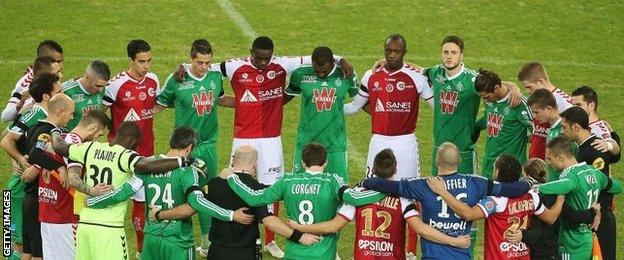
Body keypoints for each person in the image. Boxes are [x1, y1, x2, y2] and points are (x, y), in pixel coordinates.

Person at [177, 36, 352, 257]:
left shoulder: (282, 64)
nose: (263, 63)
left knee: (271, 189)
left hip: (271, 139)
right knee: (235, 185)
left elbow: (314, 56)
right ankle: (236, 235)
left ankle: (270, 241)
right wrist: (181, 66)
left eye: (267, 58)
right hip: (243, 138)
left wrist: (342, 59)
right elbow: (204, 65)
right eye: (259, 58)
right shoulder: (234, 66)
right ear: (251, 52)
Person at [85, 127, 255, 259]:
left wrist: (92, 201)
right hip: (177, 241)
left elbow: (123, 193)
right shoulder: (187, 170)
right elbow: (196, 202)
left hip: (150, 239)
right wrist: (231, 215)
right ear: (189, 148)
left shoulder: (148, 164)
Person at [50, 121, 197, 260]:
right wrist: (182, 161)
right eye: (137, 144)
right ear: (132, 141)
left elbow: (59, 146)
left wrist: (55, 130)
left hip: (85, 226)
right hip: (110, 228)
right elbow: (147, 166)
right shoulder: (125, 156)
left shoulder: (90, 148)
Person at [287, 149, 471, 259]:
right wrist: (454, 241)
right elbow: (420, 229)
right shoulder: (403, 198)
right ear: (396, 169)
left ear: (372, 169)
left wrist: (302, 227)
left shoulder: (357, 195)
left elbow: (333, 226)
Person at [361, 142, 532, 259]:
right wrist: (529, 182)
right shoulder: (476, 183)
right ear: (459, 161)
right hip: (462, 255)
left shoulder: (422, 185)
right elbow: (513, 189)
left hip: (432, 256)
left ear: (436, 161)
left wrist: (364, 182)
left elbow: (386, 185)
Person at [147, 145, 320, 259]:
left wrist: (160, 214)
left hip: (217, 253)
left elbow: (190, 208)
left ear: (232, 161)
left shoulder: (213, 185)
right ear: (255, 163)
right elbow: (270, 221)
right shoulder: (257, 189)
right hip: (245, 253)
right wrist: (299, 236)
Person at [222, 142, 386, 259]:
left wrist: (232, 178)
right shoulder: (332, 181)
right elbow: (355, 198)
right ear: (326, 162)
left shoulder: (287, 181)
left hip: (294, 253)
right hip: (323, 254)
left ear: (302, 162)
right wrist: (387, 190)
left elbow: (255, 197)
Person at [155, 39, 235, 254]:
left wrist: (247, 102)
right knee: (185, 192)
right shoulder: (176, 80)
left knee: (207, 192)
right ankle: (172, 235)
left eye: (208, 63)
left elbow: (220, 99)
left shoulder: (215, 77)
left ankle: (207, 242)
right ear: (191, 59)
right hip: (184, 147)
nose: (204, 67)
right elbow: (160, 103)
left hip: (208, 144)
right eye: (200, 62)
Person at [427, 154, 564, 260]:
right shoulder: (531, 196)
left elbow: (468, 214)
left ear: (498, 172)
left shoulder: (496, 201)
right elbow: (551, 218)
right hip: (522, 255)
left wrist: (443, 192)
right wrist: (561, 198)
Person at [344, 34, 433, 181]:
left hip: (405, 142)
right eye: (388, 51)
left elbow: (437, 106)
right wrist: (332, 108)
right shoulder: (371, 75)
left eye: (396, 51)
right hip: (378, 140)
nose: (391, 55)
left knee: (408, 190)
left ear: (404, 52)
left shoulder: (416, 77)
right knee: (373, 187)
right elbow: (355, 106)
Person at [104, 39, 160, 256]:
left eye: (149, 60)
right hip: (120, 154)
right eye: (141, 61)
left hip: (146, 151)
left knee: (141, 200)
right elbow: (101, 111)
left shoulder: (153, 79)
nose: (146, 66)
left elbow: (155, 105)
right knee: (113, 200)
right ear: (131, 61)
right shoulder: (116, 84)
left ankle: (139, 250)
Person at [0, 72, 61, 260]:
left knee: (24, 243)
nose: (63, 93)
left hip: (25, 186)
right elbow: (6, 140)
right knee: (14, 242)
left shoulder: (44, 114)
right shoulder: (35, 114)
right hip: (19, 187)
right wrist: (22, 160)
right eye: (59, 90)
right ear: (46, 96)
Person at [537, 136, 622, 260]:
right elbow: (618, 187)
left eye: (550, 158)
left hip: (571, 241)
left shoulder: (571, 177)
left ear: (561, 157)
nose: (548, 163)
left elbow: (561, 186)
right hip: (587, 238)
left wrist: (533, 188)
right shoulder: (595, 172)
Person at [285, 46, 357, 179]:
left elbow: (359, 101)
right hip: (306, 144)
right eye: (317, 70)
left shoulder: (346, 73)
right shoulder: (301, 74)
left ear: (332, 63)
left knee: (338, 189)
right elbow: (286, 97)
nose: (321, 74)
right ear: (312, 63)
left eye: (324, 70)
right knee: (299, 185)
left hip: (335, 145)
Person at [559, 107, 621, 259]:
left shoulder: (593, 150)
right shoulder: (585, 148)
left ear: (576, 127)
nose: (562, 131)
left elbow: (598, 184)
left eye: (564, 127)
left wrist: (597, 210)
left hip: (600, 216)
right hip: (594, 214)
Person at [19, 93, 74, 260]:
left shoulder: (34, 127)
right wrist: (59, 167)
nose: (72, 117)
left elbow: (29, 153)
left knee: (28, 250)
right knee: (38, 253)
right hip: (39, 199)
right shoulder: (48, 132)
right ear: (61, 111)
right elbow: (35, 154)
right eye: (71, 113)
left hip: (30, 198)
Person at [474, 69, 532, 179]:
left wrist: (522, 139)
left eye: (487, 97)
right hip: (488, 166)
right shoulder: (490, 101)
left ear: (496, 88)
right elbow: (488, 119)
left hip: (511, 170)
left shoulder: (519, 104)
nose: (485, 101)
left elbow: (538, 132)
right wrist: (473, 129)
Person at [517, 61, 573, 159]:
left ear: (541, 81)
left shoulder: (563, 103)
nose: (527, 91)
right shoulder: (537, 99)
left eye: (529, 87)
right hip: (536, 161)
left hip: (552, 163)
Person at [2, 40, 64, 123]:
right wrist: (20, 105)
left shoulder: (53, 76)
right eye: (58, 61)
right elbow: (5, 117)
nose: (61, 66)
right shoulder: (25, 85)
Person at [528, 88, 575, 181]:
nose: (534, 116)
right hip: (553, 181)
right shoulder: (552, 127)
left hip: (563, 184)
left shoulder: (564, 129)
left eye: (536, 112)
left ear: (549, 109)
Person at [571, 85, 620, 155]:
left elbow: (614, 147)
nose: (574, 109)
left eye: (578, 105)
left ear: (591, 106)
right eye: (573, 106)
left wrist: (608, 145)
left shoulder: (598, 127)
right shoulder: (580, 124)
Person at [62, 60, 111, 130]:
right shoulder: (66, 91)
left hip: (91, 140)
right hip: (69, 139)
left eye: (104, 86)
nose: (101, 90)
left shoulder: (104, 89)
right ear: (87, 77)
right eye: (97, 86)